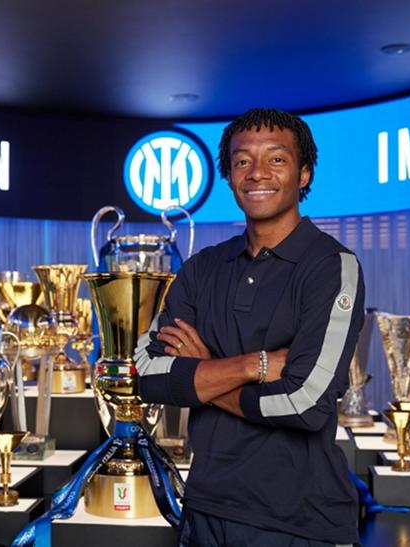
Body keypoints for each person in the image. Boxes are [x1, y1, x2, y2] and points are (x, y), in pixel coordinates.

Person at [136, 108, 364, 546]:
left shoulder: (332, 267)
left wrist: (202, 375)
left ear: (303, 173)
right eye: (243, 161)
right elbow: (147, 374)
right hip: (205, 509)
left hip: (298, 522)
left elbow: (304, 404)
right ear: (228, 176)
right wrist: (253, 366)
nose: (257, 172)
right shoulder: (202, 268)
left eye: (276, 159)